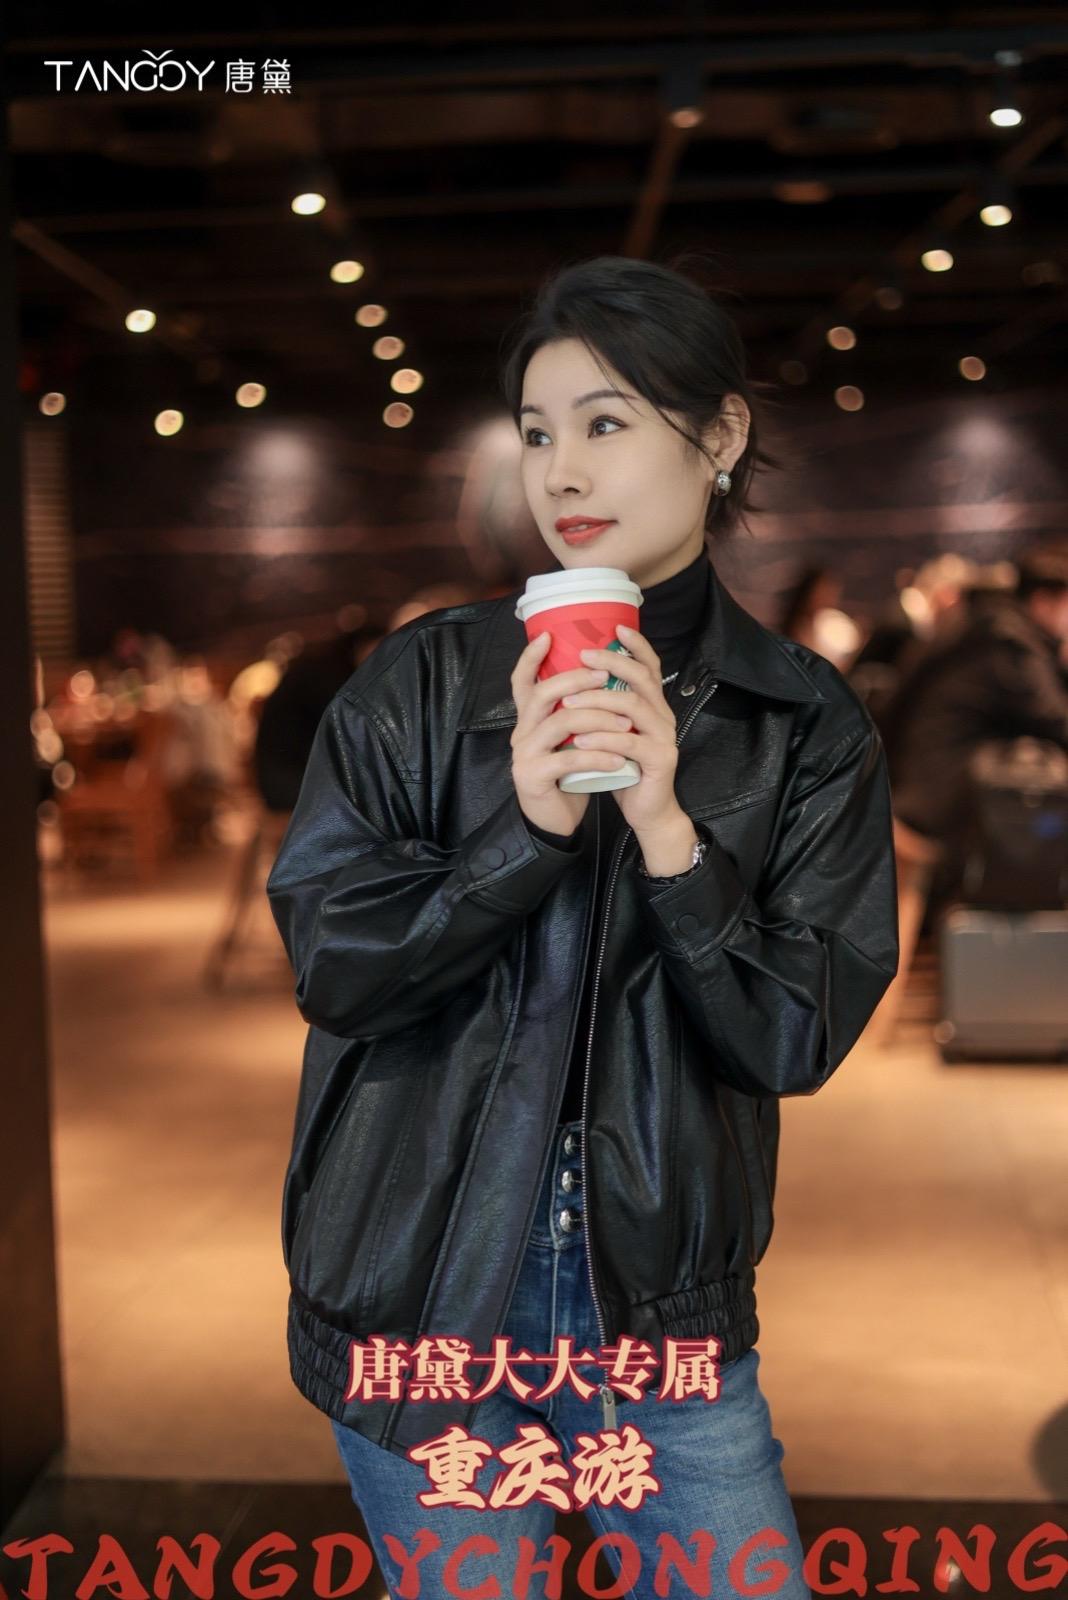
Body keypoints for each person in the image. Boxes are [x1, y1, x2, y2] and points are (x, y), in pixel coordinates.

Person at [266, 256, 899, 1599]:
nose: (563, 472)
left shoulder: (800, 721)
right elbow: (334, 966)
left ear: (718, 435)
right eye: (539, 432)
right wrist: (527, 834)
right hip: (425, 1287)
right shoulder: (422, 682)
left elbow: (792, 1036)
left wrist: (671, 834)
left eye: (606, 423)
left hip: (661, 1308)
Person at [883, 548, 1068, 894]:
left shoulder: (985, 623)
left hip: (912, 784)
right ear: (1044, 601)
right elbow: (1054, 718)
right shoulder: (1010, 642)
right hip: (937, 798)